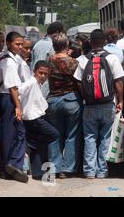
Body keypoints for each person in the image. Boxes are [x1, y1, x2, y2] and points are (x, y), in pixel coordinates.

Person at [73, 29, 124, 179]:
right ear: (105, 42)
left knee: (89, 137)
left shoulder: (83, 59)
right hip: (108, 104)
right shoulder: (112, 58)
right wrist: (120, 100)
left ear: (91, 42)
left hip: (89, 105)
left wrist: (86, 95)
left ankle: (89, 171)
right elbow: (119, 81)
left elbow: (77, 80)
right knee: (105, 138)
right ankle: (102, 171)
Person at [46, 33, 82, 178]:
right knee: (72, 135)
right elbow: (79, 82)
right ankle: (67, 169)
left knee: (55, 135)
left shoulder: (48, 61)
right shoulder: (74, 62)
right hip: (71, 100)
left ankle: (54, 168)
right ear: (67, 46)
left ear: (54, 46)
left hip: (53, 100)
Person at [0, 32, 28, 183]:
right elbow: (12, 87)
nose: (20, 47)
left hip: (7, 99)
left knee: (12, 133)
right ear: (8, 44)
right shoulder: (8, 61)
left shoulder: (8, 58)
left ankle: (6, 167)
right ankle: (10, 165)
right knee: (14, 133)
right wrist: (18, 106)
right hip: (9, 99)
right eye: (17, 44)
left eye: (22, 44)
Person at [19, 61, 59, 180]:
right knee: (54, 134)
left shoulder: (38, 83)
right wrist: (19, 107)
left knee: (39, 144)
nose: (43, 76)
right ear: (34, 72)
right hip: (33, 118)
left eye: (45, 74)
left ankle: (37, 173)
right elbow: (18, 91)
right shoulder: (31, 82)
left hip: (35, 117)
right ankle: (28, 146)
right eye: (40, 73)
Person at [31, 21, 64, 97]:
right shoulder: (47, 45)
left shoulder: (40, 43)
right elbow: (40, 67)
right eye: (61, 34)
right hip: (40, 88)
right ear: (57, 33)